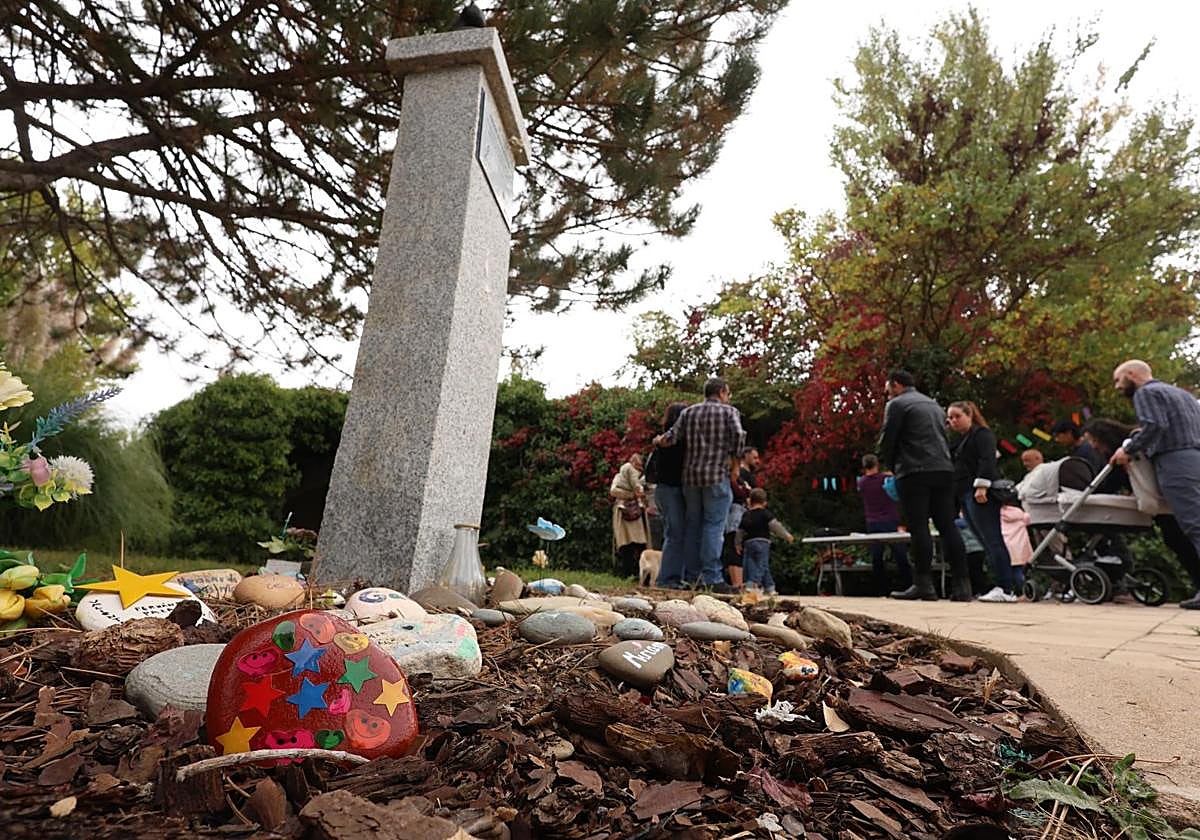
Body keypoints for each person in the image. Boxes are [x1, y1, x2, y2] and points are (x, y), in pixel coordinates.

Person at [1090, 404, 1200, 609]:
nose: (1093, 446)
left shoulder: (1127, 451)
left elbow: (1111, 483)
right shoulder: (1136, 445)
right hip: (1169, 499)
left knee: (1183, 541)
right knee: (1182, 541)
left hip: (1165, 501)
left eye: (1094, 440)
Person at [877, 370, 968, 600]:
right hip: (944, 470)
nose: (887, 394)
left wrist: (889, 465)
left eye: (888, 389)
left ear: (896, 385)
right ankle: (962, 586)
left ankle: (924, 584)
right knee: (947, 525)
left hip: (914, 470)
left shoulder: (897, 404)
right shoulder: (935, 406)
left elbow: (888, 439)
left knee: (918, 527)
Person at [655, 377, 745, 589]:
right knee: (714, 525)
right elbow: (739, 437)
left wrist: (657, 441)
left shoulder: (689, 412)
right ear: (722, 392)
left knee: (693, 526)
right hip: (716, 475)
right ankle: (712, 576)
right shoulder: (729, 412)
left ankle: (693, 576)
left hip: (690, 478)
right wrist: (736, 465)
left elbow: (671, 437)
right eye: (728, 393)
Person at [947, 401, 1017, 603]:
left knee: (992, 539)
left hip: (979, 492)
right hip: (965, 492)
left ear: (969, 415)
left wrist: (982, 485)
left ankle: (1006, 587)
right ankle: (1002, 585)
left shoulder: (982, 435)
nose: (953, 421)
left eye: (957, 416)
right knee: (985, 541)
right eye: (950, 418)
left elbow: (987, 459)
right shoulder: (961, 440)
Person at [856, 454, 911, 595]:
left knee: (877, 556)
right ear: (876, 465)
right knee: (900, 554)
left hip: (873, 521)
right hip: (890, 519)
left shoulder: (861, 482)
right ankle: (908, 584)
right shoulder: (886, 479)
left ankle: (880, 589)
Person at [651, 402, 689, 588]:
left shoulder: (662, 440)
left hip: (663, 490)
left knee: (674, 533)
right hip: (672, 489)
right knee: (675, 534)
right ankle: (668, 578)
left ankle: (673, 577)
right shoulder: (677, 441)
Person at [736, 487, 793, 594]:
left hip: (748, 543)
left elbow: (740, 531)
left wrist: (737, 543)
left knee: (752, 565)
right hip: (763, 542)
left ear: (751, 501)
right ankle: (752, 584)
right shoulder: (766, 514)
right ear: (764, 502)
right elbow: (775, 526)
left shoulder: (746, 514)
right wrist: (787, 535)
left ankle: (770, 587)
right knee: (762, 564)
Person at [609, 453, 648, 578]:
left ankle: (637, 572)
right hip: (623, 511)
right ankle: (626, 572)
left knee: (640, 542)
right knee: (625, 544)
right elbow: (614, 491)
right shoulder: (622, 475)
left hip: (636, 511)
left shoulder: (640, 477)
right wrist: (632, 495)